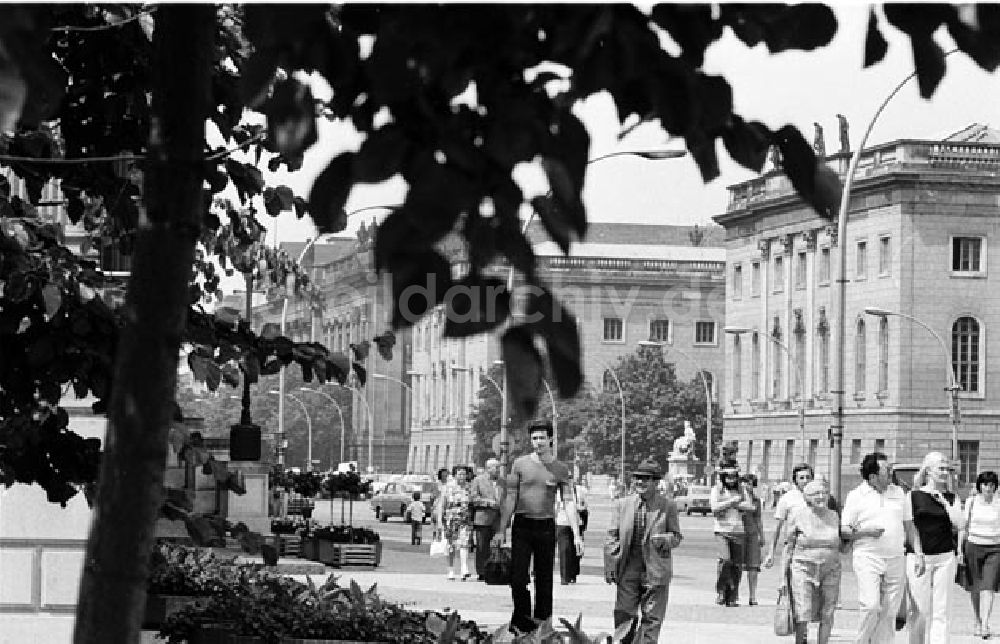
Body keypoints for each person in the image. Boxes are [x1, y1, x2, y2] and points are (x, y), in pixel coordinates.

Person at [493, 421, 583, 635]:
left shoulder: (560, 469)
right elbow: (510, 497)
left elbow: (568, 502)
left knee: (544, 579)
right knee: (518, 577)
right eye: (534, 438)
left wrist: (576, 535)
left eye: (542, 438)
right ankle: (521, 622)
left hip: (546, 526)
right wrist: (501, 529)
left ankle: (543, 624)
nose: (538, 442)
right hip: (523, 525)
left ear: (550, 439)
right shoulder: (519, 464)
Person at [841, 452, 921, 644]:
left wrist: (918, 553)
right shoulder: (856, 496)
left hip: (895, 558)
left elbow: (909, 525)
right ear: (873, 477)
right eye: (887, 470)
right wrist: (865, 532)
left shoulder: (899, 493)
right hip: (868, 557)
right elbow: (844, 530)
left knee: (889, 612)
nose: (892, 473)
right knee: (870, 606)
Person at [603, 457, 682, 644]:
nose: (640, 482)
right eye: (637, 478)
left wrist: (667, 539)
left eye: (645, 478)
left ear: (656, 482)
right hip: (628, 570)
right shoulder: (622, 505)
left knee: (652, 620)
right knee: (624, 616)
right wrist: (610, 565)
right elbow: (611, 537)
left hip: (655, 571)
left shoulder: (667, 506)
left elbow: (677, 536)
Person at [905, 451, 964, 644]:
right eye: (941, 468)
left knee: (942, 609)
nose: (945, 472)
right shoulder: (913, 496)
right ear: (928, 471)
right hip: (919, 557)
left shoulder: (951, 497)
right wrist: (919, 552)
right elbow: (910, 526)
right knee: (920, 609)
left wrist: (945, 502)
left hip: (945, 557)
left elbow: (960, 524)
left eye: (947, 468)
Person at [786, 480, 843, 644]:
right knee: (803, 611)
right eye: (816, 494)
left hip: (831, 569)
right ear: (807, 497)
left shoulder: (834, 516)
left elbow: (842, 544)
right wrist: (783, 578)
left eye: (824, 493)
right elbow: (788, 546)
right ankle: (800, 641)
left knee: (828, 611)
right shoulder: (798, 515)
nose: (821, 496)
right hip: (803, 567)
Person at [764, 463, 838, 570]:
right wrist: (771, 553)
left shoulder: (822, 497)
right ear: (796, 480)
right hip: (793, 547)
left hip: (818, 547)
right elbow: (777, 528)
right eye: (801, 478)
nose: (805, 480)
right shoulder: (787, 499)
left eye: (808, 477)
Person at [957, 470, 1000, 638]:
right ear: (979, 486)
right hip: (973, 545)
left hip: (995, 548)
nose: (988, 488)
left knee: (988, 586)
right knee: (974, 586)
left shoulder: (999, 503)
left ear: (996, 487)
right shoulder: (971, 502)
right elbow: (963, 526)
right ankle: (977, 619)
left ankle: (985, 624)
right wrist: (960, 549)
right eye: (985, 484)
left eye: (991, 485)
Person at [710, 459, 755, 606]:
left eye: (734, 476)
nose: (731, 479)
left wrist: (734, 502)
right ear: (723, 477)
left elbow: (750, 507)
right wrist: (732, 502)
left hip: (738, 531)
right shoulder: (717, 490)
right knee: (725, 560)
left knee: (736, 565)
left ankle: (732, 596)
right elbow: (714, 508)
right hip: (722, 530)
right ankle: (721, 590)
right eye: (728, 476)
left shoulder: (741, 489)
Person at [437, 464, 474, 581]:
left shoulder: (469, 487)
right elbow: (441, 505)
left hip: (465, 520)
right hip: (450, 520)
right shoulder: (447, 488)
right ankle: (451, 570)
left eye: (464, 474)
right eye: (459, 474)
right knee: (451, 546)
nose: (462, 476)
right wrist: (439, 521)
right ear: (454, 475)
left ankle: (464, 568)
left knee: (464, 544)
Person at [469, 457, 502, 581]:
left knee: (498, 546)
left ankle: (496, 570)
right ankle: (482, 571)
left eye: (499, 467)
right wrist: (487, 503)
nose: (498, 470)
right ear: (488, 468)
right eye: (496, 467)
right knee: (482, 547)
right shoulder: (478, 480)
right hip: (483, 518)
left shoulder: (502, 482)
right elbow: (473, 498)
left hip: (498, 519)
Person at [556, 475, 587, 585]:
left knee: (575, 551)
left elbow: (584, 507)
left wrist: (579, 508)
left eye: (570, 478)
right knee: (564, 550)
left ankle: (573, 574)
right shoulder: (557, 491)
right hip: (562, 523)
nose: (568, 480)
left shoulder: (579, 491)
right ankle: (564, 577)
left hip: (577, 523)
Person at [741, 474, 765, 606]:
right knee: (737, 566)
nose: (747, 486)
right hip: (739, 533)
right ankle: (734, 594)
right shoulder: (736, 499)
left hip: (752, 534)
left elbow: (758, 519)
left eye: (750, 484)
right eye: (745, 483)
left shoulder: (756, 501)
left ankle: (752, 595)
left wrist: (762, 535)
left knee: (754, 567)